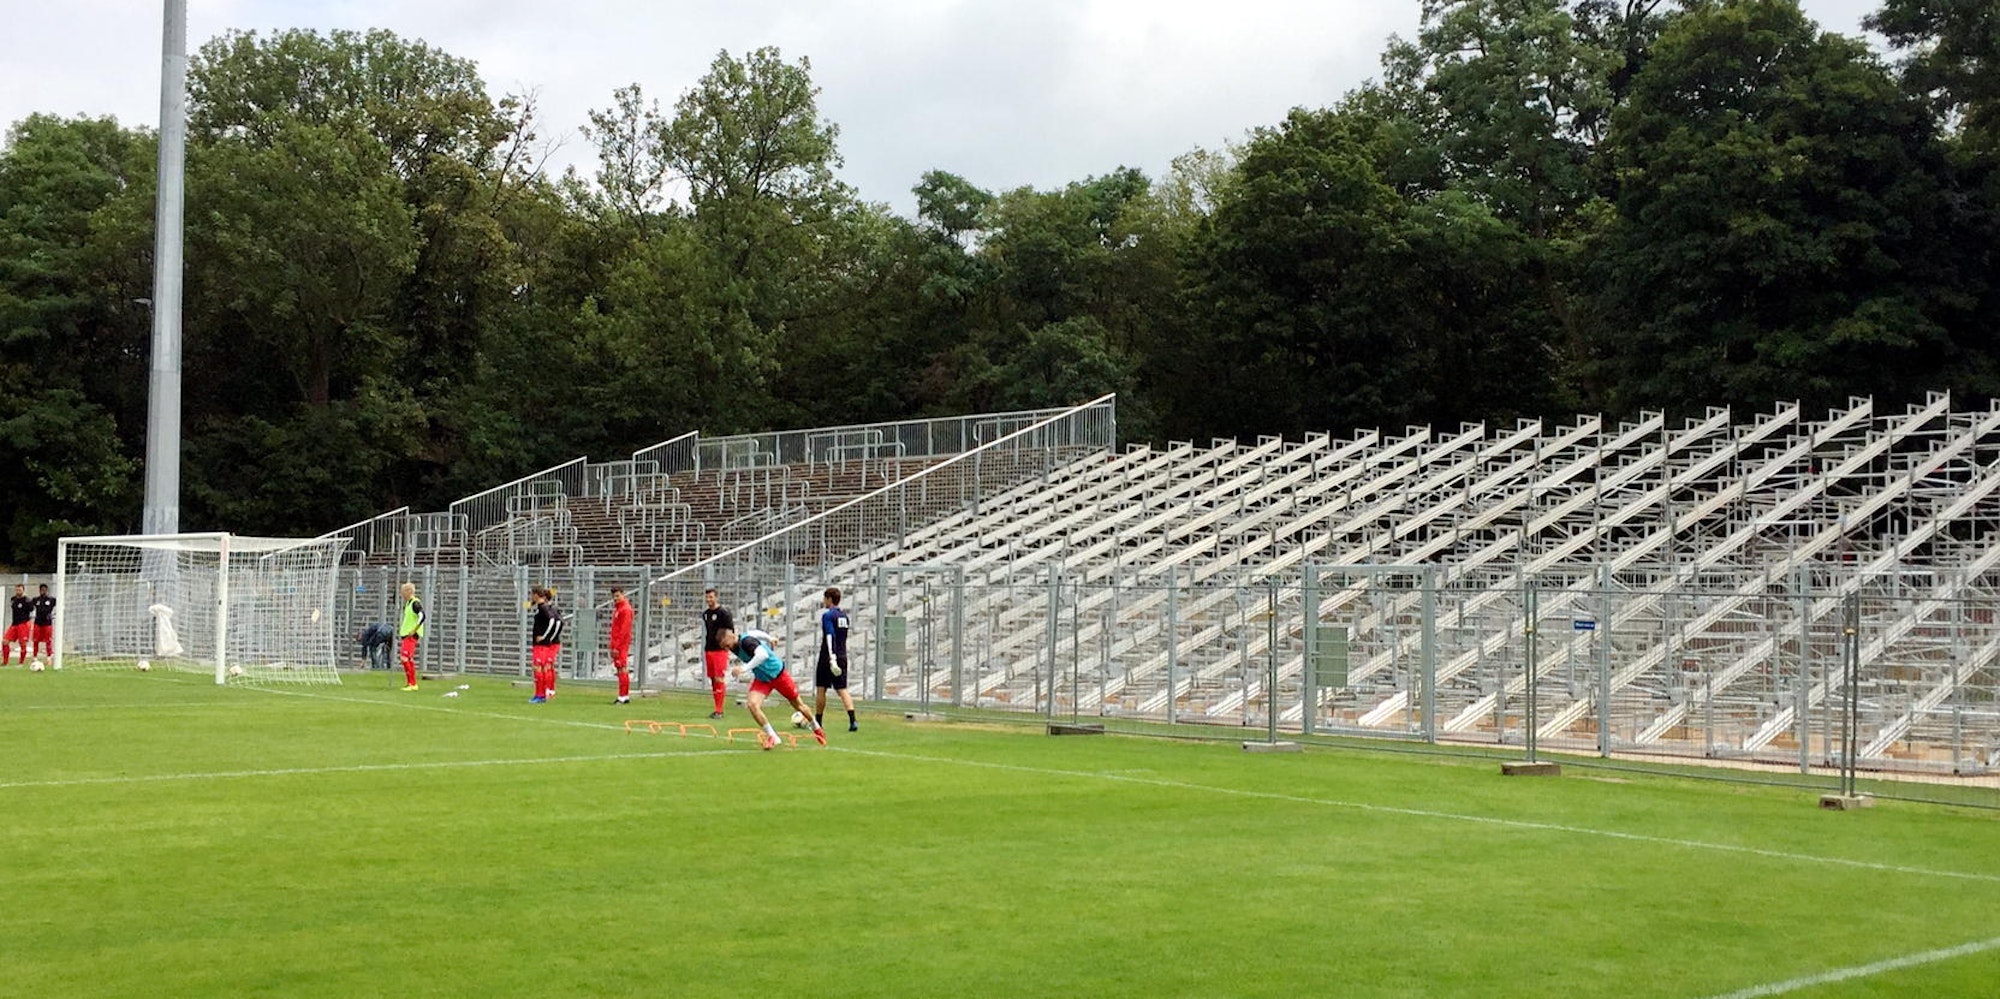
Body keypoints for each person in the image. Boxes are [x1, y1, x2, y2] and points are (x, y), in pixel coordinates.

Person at [721, 625, 825, 750]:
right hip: (762, 678)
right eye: (724, 647)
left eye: (727, 645)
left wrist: (743, 668)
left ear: (732, 636)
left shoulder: (747, 642)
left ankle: (816, 727)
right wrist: (769, 638)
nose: (727, 649)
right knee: (752, 704)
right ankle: (773, 737)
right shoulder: (739, 640)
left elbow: (763, 655)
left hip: (778, 674)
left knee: (799, 706)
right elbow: (755, 632)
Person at [815, 586, 857, 732]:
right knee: (842, 689)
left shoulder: (828, 616)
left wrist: (831, 656)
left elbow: (829, 635)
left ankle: (818, 721)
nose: (824, 601)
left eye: (825, 598)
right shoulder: (844, 617)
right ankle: (853, 720)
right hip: (842, 654)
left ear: (829, 599)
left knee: (821, 688)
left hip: (829, 655)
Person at [700, 588, 733, 719]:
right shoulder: (706, 614)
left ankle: (719, 710)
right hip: (709, 649)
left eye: (711, 597)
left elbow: (730, 632)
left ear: (716, 598)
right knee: (713, 679)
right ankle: (717, 707)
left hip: (720, 650)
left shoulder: (724, 613)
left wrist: (726, 646)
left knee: (719, 678)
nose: (709, 600)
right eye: (707, 597)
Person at [529, 586, 565, 704]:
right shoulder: (542, 608)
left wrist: (545, 636)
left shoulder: (544, 608)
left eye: (532, 594)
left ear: (536, 595)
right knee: (542, 668)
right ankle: (544, 692)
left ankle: (541, 694)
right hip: (542, 643)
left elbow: (555, 621)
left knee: (540, 668)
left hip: (542, 644)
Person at [608, 586, 634, 705]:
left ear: (623, 594)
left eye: (617, 596)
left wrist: (617, 647)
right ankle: (623, 695)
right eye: (614, 596)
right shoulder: (618, 609)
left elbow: (624, 630)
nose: (615, 598)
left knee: (622, 668)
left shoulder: (625, 609)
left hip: (621, 645)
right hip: (617, 644)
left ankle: (623, 696)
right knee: (620, 669)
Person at [397, 582, 424, 691]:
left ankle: (411, 683)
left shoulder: (415, 603)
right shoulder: (409, 603)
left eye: (403, 591)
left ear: (409, 592)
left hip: (410, 635)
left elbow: (422, 616)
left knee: (404, 658)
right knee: (409, 659)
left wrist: (414, 629)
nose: (402, 594)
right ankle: (413, 684)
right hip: (406, 635)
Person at [5, 584, 30, 665]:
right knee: (5, 641)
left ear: (23, 590)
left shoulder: (26, 600)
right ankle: (5, 662)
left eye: (20, 589)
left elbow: (31, 609)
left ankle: (21, 663)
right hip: (14, 624)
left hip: (23, 624)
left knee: (22, 643)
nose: (18, 591)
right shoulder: (13, 599)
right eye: (17, 589)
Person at [30, 584, 56, 661]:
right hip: (38, 623)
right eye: (42, 590)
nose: (43, 591)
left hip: (47, 623)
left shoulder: (52, 600)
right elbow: (30, 608)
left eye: (45, 590)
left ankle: (49, 657)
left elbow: (60, 606)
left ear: (47, 590)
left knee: (48, 640)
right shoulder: (36, 599)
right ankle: (34, 657)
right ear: (40, 590)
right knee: (35, 640)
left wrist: (54, 614)